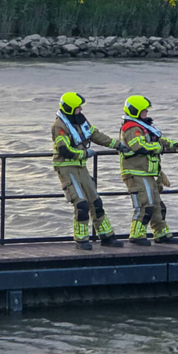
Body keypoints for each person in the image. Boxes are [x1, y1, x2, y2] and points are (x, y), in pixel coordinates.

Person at [52, 92, 124, 250]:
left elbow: (95, 134)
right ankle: (81, 240)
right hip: (66, 167)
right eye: (77, 108)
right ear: (70, 109)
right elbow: (65, 150)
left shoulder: (80, 120)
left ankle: (107, 236)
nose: (80, 110)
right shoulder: (59, 126)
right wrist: (85, 153)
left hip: (81, 167)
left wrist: (116, 144)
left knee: (96, 202)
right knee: (81, 205)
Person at [118, 95, 178, 246]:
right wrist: (158, 148)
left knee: (157, 206)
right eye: (144, 111)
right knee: (145, 205)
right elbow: (139, 146)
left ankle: (161, 233)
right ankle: (136, 234)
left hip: (148, 173)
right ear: (135, 111)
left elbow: (159, 140)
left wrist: (175, 145)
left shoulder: (145, 128)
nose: (146, 113)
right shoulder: (131, 128)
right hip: (136, 173)